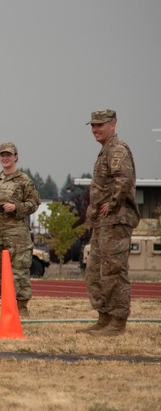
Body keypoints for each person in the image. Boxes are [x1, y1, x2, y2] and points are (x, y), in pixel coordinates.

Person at [79, 109, 139, 337]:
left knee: (114, 271)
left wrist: (112, 204)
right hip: (102, 223)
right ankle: (103, 317)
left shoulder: (117, 149)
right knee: (95, 271)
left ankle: (117, 321)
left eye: (100, 125)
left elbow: (124, 179)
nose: (95, 129)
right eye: (93, 125)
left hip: (116, 221)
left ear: (113, 125)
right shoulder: (105, 151)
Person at [0, 142, 41, 318]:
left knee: (20, 269)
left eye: (9, 155)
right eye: (2, 155)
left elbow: (34, 203)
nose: (5, 158)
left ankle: (21, 308)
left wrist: (17, 207)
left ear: (16, 157)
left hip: (17, 233)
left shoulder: (24, 181)